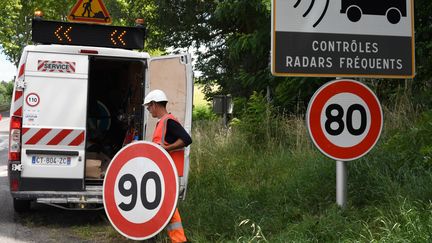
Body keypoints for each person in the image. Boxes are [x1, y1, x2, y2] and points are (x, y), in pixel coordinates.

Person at [144, 89, 192, 243]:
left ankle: (178, 240)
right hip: (163, 173)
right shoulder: (162, 123)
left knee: (168, 208)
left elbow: (186, 139)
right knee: (162, 206)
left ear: (154, 104)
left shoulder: (169, 121)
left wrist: (166, 149)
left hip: (169, 173)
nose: (148, 110)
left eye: (148, 107)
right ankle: (155, 237)